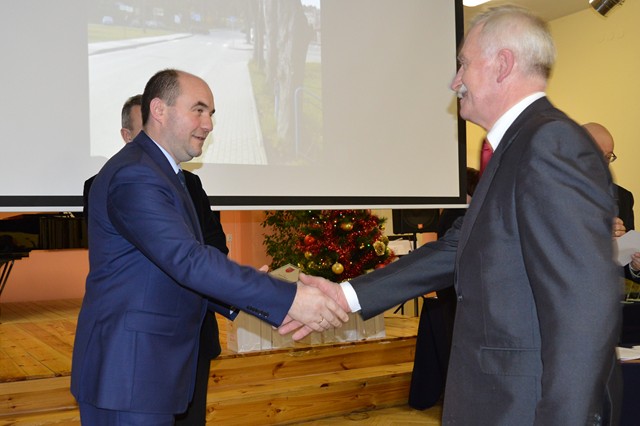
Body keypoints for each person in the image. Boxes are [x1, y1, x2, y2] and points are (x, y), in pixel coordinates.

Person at [288, 6, 622, 424]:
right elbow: (457, 247)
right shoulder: (520, 145)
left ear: (502, 65)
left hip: (527, 406)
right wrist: (347, 296)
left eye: (463, 64)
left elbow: (584, 302)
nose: (455, 81)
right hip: (499, 400)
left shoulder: (550, 142)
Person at [71, 69, 348, 424]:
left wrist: (255, 295)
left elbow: (179, 267)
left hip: (146, 368)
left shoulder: (164, 173)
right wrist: (288, 299)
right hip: (130, 370)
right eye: (198, 110)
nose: (208, 124)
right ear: (159, 109)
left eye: (211, 114)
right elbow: (189, 261)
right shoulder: (136, 175)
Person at [83, 94, 228, 424]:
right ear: (127, 136)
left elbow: (213, 245)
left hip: (193, 332)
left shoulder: (190, 183)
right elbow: (172, 260)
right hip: (141, 347)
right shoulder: (117, 181)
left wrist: (227, 283)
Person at [583, 122, 640, 283]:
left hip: (603, 292)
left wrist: (634, 266)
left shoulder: (623, 197)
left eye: (608, 157)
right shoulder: (550, 190)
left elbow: (623, 264)